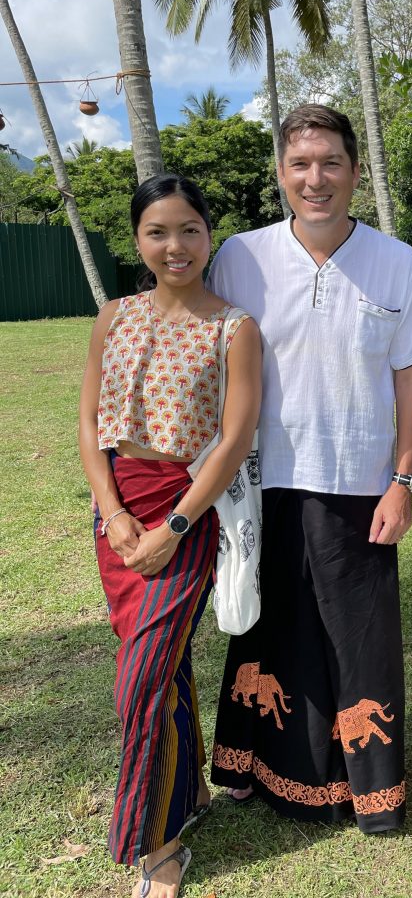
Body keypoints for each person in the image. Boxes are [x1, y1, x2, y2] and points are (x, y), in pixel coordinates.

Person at [207, 104, 412, 833]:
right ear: (281, 173)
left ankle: (368, 790)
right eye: (301, 164)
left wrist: (403, 480)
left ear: (356, 172)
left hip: (360, 484)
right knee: (268, 629)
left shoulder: (397, 262)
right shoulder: (240, 257)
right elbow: (212, 364)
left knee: (358, 637)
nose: (317, 178)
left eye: (331, 163)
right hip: (263, 481)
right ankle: (250, 767)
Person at [79, 174, 261, 898]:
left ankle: (156, 848)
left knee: (141, 684)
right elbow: (91, 428)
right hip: (116, 515)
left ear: (208, 235)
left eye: (189, 229)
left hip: (186, 511)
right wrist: (115, 515)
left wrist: (173, 524)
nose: (175, 245)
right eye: (159, 231)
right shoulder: (112, 316)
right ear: (138, 242)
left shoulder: (233, 327)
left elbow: (234, 439)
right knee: (164, 664)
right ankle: (189, 795)